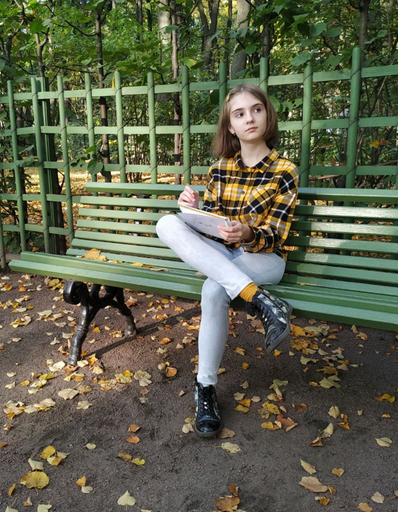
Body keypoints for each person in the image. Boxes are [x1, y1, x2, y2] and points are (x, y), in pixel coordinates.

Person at [156, 83, 299, 438]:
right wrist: (194, 209)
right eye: (239, 113)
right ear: (230, 126)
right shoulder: (220, 168)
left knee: (213, 289)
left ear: (267, 115)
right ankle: (261, 301)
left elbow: (276, 235)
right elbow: (212, 226)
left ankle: (204, 389)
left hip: (264, 257)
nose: (249, 118)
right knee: (166, 223)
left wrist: (247, 233)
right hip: (225, 254)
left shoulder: (284, 171)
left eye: (256, 109)